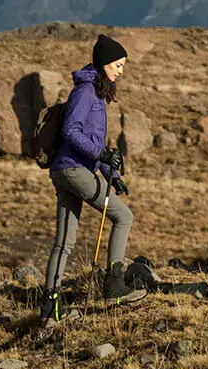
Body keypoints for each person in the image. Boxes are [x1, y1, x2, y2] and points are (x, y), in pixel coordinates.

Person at [41, 34, 146, 317]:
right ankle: (114, 286)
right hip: (74, 170)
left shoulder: (94, 92)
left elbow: (91, 142)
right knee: (123, 217)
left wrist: (111, 173)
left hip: (67, 170)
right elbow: (71, 132)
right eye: (118, 65)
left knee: (65, 241)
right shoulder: (86, 93)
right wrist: (100, 156)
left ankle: (49, 307)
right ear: (104, 64)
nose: (121, 71)